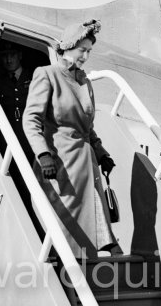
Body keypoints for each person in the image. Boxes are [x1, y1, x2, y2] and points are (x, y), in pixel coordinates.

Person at [22, 19, 120, 259]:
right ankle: (68, 278)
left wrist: (101, 152)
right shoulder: (47, 74)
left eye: (89, 51)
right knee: (66, 231)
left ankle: (90, 272)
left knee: (93, 227)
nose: (85, 56)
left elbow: (88, 128)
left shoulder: (85, 82)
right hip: (59, 165)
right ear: (67, 47)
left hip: (86, 167)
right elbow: (31, 119)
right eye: (81, 50)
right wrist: (44, 155)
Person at [0, 41, 33, 161]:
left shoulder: (34, 76)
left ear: (20, 56)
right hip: (9, 137)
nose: (9, 60)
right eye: (5, 56)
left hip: (31, 136)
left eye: (12, 55)